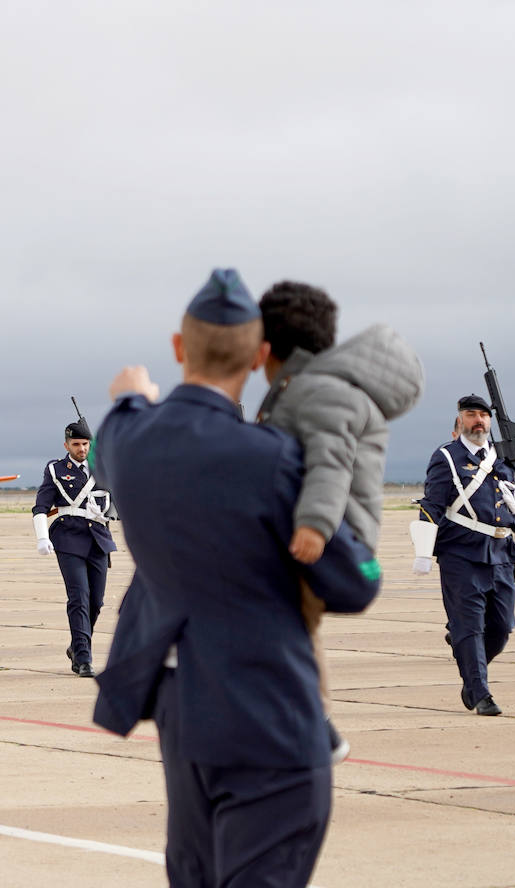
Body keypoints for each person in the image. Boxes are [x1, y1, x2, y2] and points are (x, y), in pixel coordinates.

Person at [92, 268, 383, 888]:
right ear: (258, 359)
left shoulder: (126, 438)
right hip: (270, 722)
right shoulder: (275, 457)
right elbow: (354, 584)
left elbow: (119, 422)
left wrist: (130, 395)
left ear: (179, 349)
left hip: (186, 724)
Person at [255, 280, 423, 756]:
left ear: (269, 348)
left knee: (289, 633)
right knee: (294, 630)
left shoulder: (319, 392)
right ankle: (311, 725)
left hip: (329, 537)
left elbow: (332, 463)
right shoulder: (312, 388)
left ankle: (315, 729)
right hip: (322, 535)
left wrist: (315, 525)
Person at [416, 394, 515, 716]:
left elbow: (504, 508)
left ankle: (468, 661)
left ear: (490, 422)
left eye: (483, 415)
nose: (479, 420)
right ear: (460, 421)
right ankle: (479, 693)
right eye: (471, 414)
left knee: (501, 627)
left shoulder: (501, 461)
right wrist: (422, 549)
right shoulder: (446, 458)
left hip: (502, 554)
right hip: (461, 553)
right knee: (470, 626)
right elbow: (432, 505)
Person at [31, 419, 117, 677]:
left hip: (98, 538)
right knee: (79, 597)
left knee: (97, 602)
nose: (82, 449)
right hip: (68, 537)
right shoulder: (56, 469)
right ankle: (83, 658)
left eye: (85, 444)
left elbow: (118, 502)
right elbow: (41, 506)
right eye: (76, 444)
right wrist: (41, 536)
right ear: (66, 445)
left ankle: (77, 645)